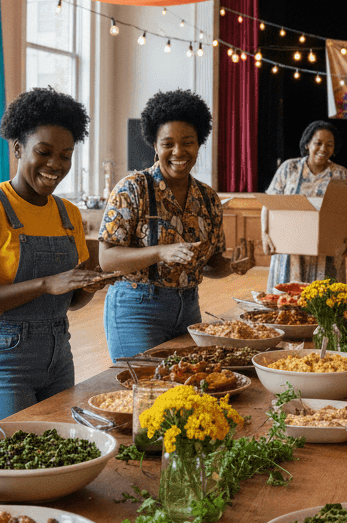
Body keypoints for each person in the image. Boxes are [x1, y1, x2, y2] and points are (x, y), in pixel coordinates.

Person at [0, 88, 111, 425]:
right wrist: (45, 283)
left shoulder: (68, 213)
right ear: (18, 147)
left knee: (56, 461)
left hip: (58, 353)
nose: (56, 164)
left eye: (65, 155)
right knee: (13, 465)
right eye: (44, 151)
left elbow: (68, 301)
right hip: (0, 358)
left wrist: (88, 286)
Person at [98, 89, 254, 360]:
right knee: (144, 392)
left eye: (188, 142)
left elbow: (210, 263)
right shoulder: (132, 189)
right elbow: (107, 259)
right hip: (137, 309)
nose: (178, 152)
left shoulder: (207, 197)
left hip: (188, 306)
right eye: (168, 143)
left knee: (182, 389)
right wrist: (160, 251)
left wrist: (232, 266)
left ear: (199, 143)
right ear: (154, 146)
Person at [261, 120, 347, 290]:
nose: (323, 149)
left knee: (325, 305)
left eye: (329, 145)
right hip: (291, 253)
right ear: (307, 143)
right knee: (287, 303)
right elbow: (269, 204)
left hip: (327, 256)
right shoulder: (289, 168)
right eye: (318, 143)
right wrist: (265, 234)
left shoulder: (340, 173)